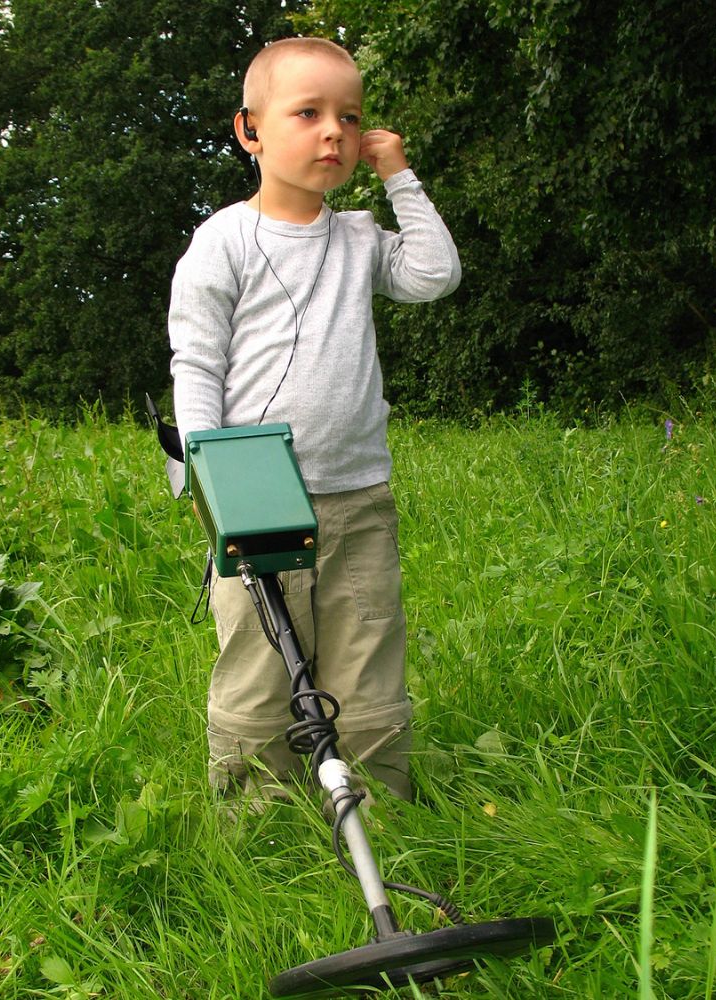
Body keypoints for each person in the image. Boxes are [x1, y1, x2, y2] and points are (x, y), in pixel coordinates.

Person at [167, 36, 460, 804]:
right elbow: (195, 365)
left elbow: (434, 275)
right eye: (309, 112)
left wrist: (396, 173)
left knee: (367, 660)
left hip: (358, 493)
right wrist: (206, 479)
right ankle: (255, 823)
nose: (334, 131)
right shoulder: (222, 242)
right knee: (262, 668)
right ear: (251, 130)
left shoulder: (359, 238)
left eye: (350, 117)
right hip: (257, 502)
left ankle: (380, 809)